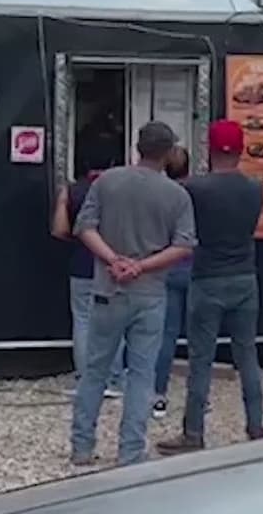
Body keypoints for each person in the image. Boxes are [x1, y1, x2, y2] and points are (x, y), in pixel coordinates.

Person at [70, 121, 197, 466]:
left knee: (95, 370)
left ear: (136, 147)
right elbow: (184, 245)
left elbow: (84, 227)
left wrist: (113, 260)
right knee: (142, 374)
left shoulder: (107, 182)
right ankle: (130, 451)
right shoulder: (177, 195)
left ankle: (82, 445)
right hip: (150, 293)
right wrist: (141, 267)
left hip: (107, 287)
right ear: (170, 153)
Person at [158, 120, 263, 454]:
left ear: (209, 149)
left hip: (207, 278)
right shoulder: (255, 189)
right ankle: (256, 425)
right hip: (245, 277)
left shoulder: (195, 189)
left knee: (200, 359)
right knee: (247, 354)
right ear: (241, 148)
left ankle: (194, 432)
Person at [51, 165, 124, 399]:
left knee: (83, 322)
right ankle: (114, 379)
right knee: (114, 323)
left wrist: (63, 201)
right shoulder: (120, 188)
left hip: (82, 265)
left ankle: (85, 379)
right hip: (115, 266)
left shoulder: (75, 190)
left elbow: (59, 230)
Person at [152, 145, 193, 418]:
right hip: (197, 268)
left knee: (166, 334)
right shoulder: (198, 193)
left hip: (167, 267)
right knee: (200, 336)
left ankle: (159, 394)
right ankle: (197, 397)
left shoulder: (158, 195)